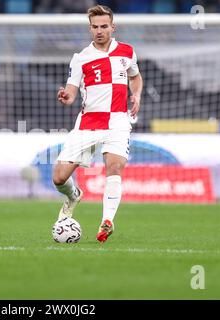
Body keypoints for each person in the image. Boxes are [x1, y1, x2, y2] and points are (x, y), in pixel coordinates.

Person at [53, 5, 143, 243]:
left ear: (113, 27)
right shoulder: (81, 58)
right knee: (59, 178)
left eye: (104, 26)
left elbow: (135, 76)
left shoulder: (127, 52)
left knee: (114, 168)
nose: (100, 31)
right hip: (88, 123)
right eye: (95, 27)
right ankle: (74, 196)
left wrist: (137, 94)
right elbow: (71, 93)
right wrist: (66, 97)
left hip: (117, 122)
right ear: (90, 28)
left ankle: (107, 222)